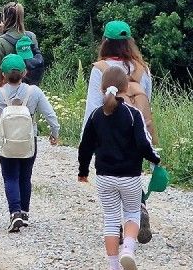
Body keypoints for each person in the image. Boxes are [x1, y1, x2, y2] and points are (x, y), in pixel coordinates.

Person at [78, 67, 162, 270]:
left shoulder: (96, 116)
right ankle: (128, 249)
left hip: (105, 177)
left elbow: (85, 146)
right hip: (130, 177)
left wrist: (83, 171)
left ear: (101, 87)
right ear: (126, 87)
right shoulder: (133, 114)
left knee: (111, 220)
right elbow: (143, 144)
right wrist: (155, 160)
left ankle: (113, 266)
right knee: (132, 213)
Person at [82, 19, 157, 243]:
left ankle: (118, 226)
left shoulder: (101, 68)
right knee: (131, 174)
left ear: (105, 41)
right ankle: (138, 208)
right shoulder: (142, 69)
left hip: (108, 134)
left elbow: (94, 105)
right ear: (129, 42)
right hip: (135, 129)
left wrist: (87, 140)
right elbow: (147, 102)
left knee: (112, 176)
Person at [0, 54, 60, 233]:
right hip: (28, 140)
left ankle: (15, 212)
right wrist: (54, 133)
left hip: (6, 141)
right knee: (25, 176)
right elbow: (50, 115)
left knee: (10, 177)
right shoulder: (34, 92)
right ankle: (24, 212)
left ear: (3, 74)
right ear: (25, 72)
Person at [0, 1, 40, 106]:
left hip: (7, 95)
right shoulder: (31, 37)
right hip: (29, 92)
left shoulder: (0, 42)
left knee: (7, 121)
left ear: (5, 18)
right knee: (29, 120)